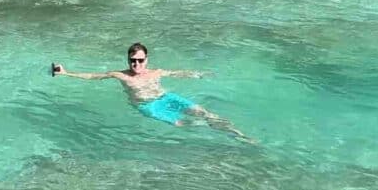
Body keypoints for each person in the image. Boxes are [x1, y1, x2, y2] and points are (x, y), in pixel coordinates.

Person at [53, 42, 251, 141]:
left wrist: (200, 74)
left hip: (166, 97)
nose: (136, 64)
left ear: (146, 60)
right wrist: (66, 73)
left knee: (204, 113)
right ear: (128, 60)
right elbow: (93, 77)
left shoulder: (156, 72)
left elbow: (178, 73)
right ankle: (216, 133)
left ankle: (239, 135)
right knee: (184, 123)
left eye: (140, 60)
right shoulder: (121, 75)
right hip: (148, 107)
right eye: (132, 60)